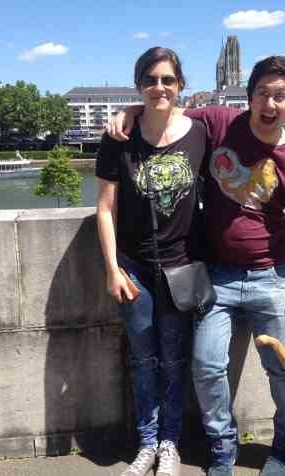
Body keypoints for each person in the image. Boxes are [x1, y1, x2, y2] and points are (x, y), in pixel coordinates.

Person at [108, 56, 285, 476]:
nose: (270, 104)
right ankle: (222, 449)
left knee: (283, 371)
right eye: (263, 94)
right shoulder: (219, 123)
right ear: (250, 96)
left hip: (271, 277)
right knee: (207, 365)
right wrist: (130, 110)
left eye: (281, 96)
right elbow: (166, 111)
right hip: (216, 278)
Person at [96, 46, 207, 476]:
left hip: (182, 268)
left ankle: (170, 444)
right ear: (138, 85)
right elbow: (105, 209)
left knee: (175, 360)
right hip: (134, 269)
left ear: (180, 85)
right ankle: (146, 442)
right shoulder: (119, 137)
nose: (159, 87)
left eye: (167, 80)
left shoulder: (199, 132)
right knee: (143, 360)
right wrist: (112, 268)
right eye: (150, 80)